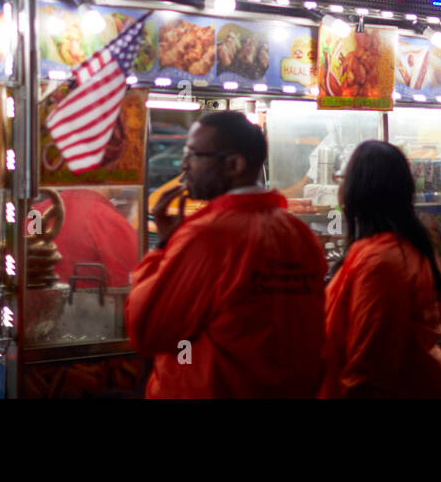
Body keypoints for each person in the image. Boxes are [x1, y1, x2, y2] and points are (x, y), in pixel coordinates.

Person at [126, 111, 327, 398]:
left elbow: (146, 329)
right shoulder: (298, 233)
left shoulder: (208, 236)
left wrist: (162, 249)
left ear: (235, 164)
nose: (184, 165)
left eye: (194, 155)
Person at [321, 140, 441, 398]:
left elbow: (370, 364)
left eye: (343, 178)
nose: (340, 187)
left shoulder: (381, 262)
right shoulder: (405, 247)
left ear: (359, 189)